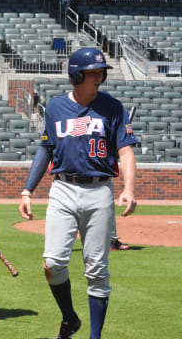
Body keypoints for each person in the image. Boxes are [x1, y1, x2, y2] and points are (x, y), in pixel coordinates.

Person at [18, 47, 137, 339]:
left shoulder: (112, 108)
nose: (99, 77)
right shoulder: (57, 107)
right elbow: (46, 148)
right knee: (54, 263)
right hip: (63, 189)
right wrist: (27, 189)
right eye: (92, 72)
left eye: (101, 72)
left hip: (99, 191)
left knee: (97, 270)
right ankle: (70, 318)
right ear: (75, 75)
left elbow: (125, 150)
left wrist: (129, 188)